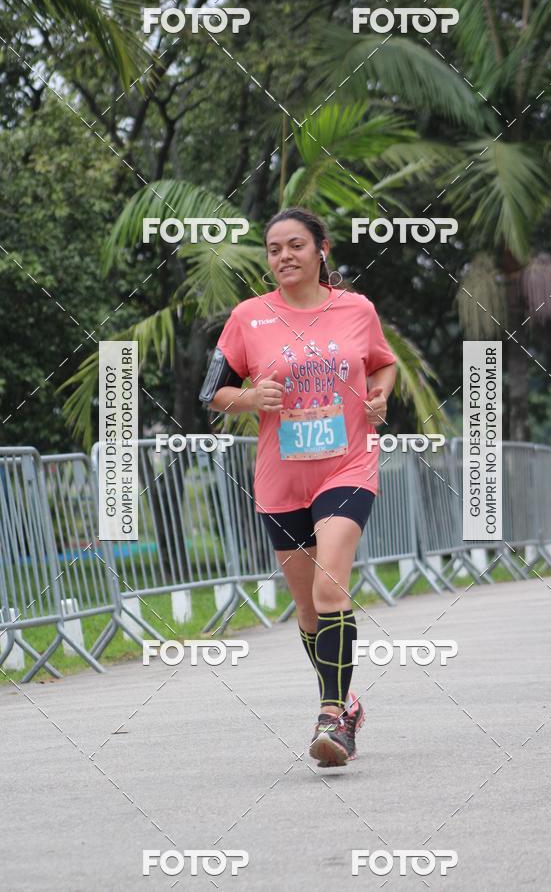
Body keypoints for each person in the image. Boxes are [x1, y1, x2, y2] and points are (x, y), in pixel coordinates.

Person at [199, 207, 398, 767]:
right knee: (308, 612)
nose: (283, 256)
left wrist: (380, 397)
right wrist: (247, 399)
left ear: (322, 250)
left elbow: (384, 365)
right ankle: (346, 705)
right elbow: (212, 391)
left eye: (295, 245)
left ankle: (331, 715)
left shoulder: (356, 310)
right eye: (273, 249)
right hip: (280, 479)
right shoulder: (248, 316)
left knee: (331, 591)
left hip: (347, 468)